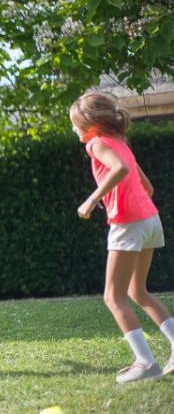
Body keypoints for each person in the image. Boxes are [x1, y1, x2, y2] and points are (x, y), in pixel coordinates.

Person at [71, 91, 174, 383]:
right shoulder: (121, 144)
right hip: (150, 219)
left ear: (93, 123)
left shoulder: (97, 144)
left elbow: (120, 170)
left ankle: (145, 362)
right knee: (138, 292)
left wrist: (92, 200)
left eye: (77, 123)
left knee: (113, 296)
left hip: (129, 223)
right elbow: (148, 188)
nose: (75, 129)